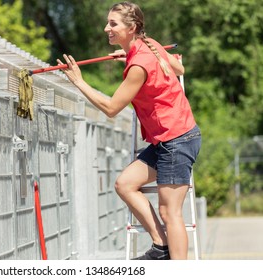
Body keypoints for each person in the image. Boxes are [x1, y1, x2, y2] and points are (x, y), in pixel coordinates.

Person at [57, 1, 201, 260]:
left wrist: (79, 82)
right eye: (108, 23)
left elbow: (111, 108)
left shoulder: (139, 66)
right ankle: (161, 247)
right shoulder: (150, 46)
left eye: (113, 24)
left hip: (178, 140)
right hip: (165, 141)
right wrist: (130, 55)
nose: (106, 28)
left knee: (171, 213)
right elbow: (179, 68)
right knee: (125, 184)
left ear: (131, 27)